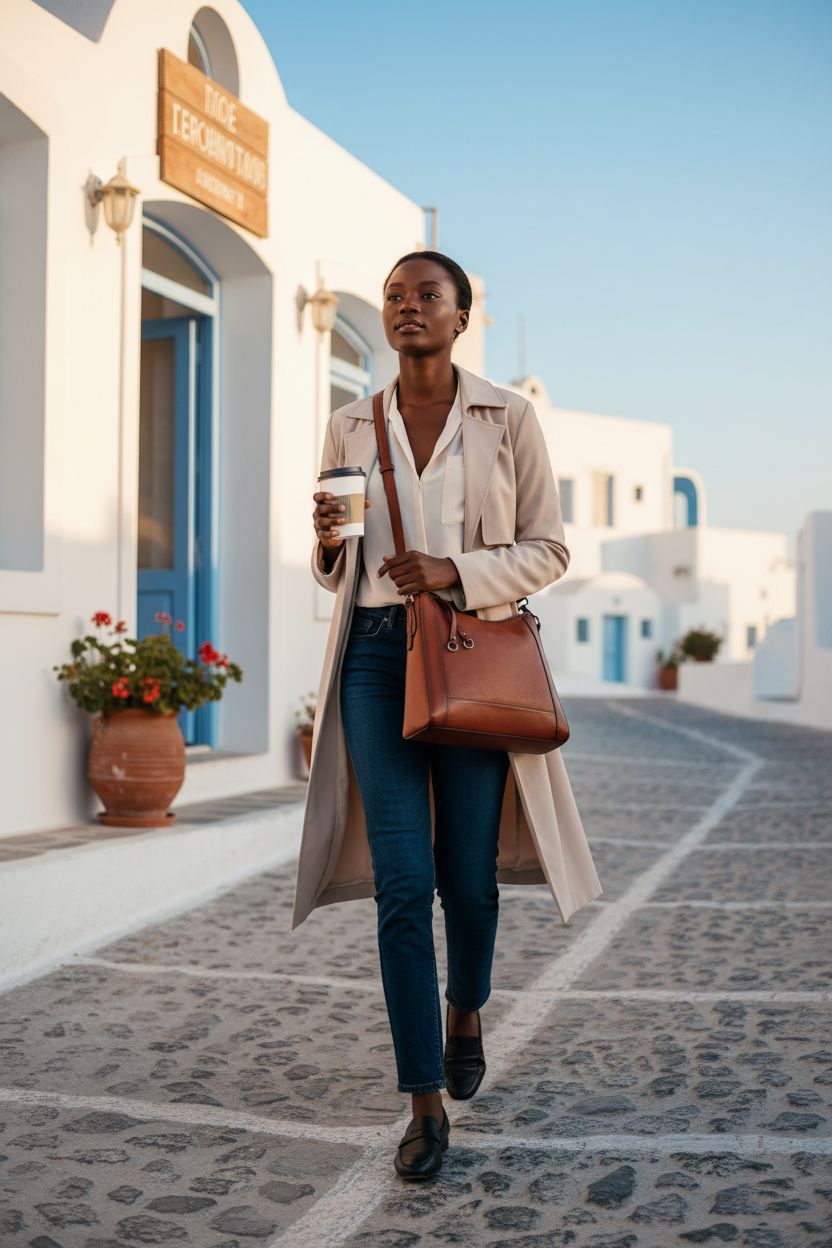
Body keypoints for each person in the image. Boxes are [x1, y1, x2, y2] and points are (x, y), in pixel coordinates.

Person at [299, 250, 603, 1180]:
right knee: (401, 886)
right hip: (375, 660)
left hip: (473, 658)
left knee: (466, 882)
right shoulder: (351, 421)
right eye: (393, 296)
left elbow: (549, 546)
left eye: (426, 295)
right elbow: (336, 561)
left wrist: (455, 572)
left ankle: (465, 1004)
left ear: (462, 316)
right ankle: (423, 1100)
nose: (406, 308)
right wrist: (323, 545)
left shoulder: (508, 416)